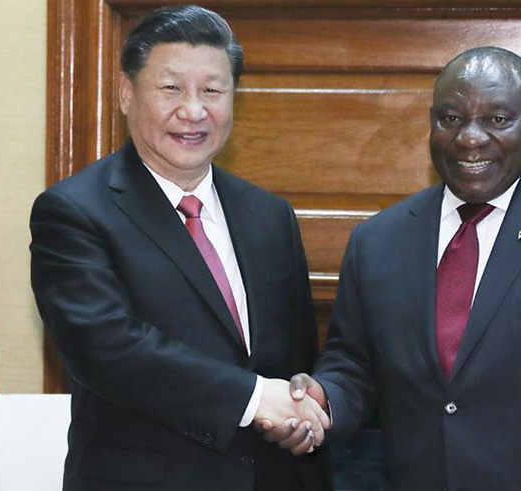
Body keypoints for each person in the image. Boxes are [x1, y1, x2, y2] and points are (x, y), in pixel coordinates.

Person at [261, 47, 521, 490]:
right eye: (451, 119)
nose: (470, 138)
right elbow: (354, 364)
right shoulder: (379, 240)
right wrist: (323, 400)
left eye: (498, 120)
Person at [30, 5, 331, 490]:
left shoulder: (270, 216)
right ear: (127, 93)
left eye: (212, 90)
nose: (193, 111)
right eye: (170, 88)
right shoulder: (73, 212)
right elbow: (108, 350)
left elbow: (294, 360)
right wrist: (254, 398)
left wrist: (300, 417)